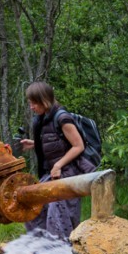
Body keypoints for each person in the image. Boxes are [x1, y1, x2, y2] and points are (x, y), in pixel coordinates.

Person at [20, 82, 96, 240]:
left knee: (58, 219)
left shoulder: (62, 118)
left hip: (68, 172)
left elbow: (78, 146)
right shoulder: (44, 119)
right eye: (30, 103)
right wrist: (34, 144)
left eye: (34, 103)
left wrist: (58, 164)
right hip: (53, 172)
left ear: (44, 100)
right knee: (34, 207)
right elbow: (58, 142)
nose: (32, 107)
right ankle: (40, 251)